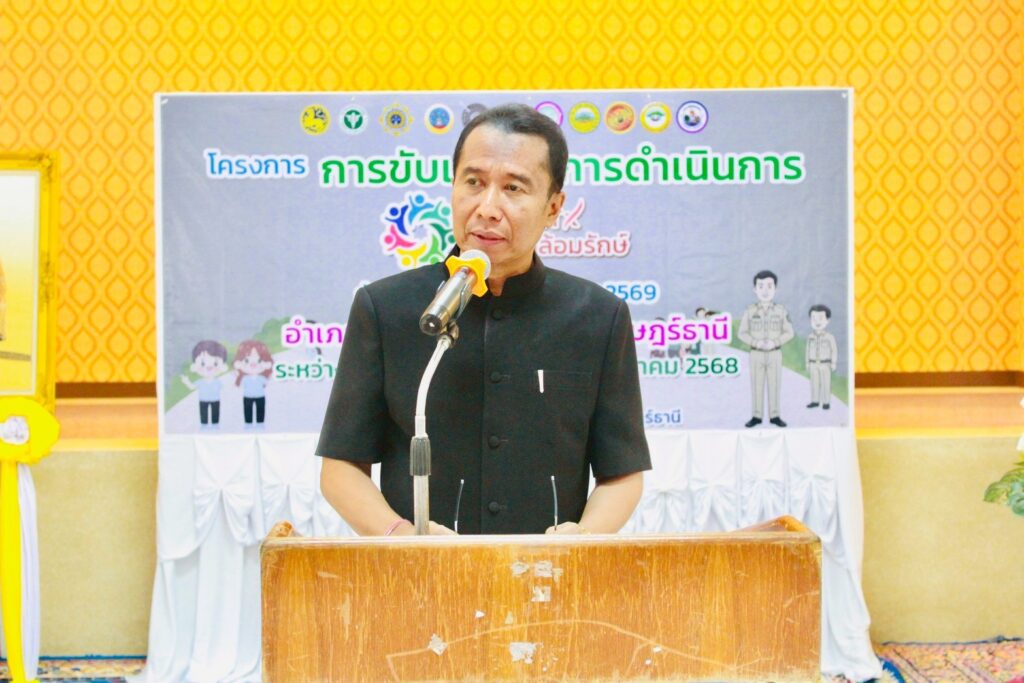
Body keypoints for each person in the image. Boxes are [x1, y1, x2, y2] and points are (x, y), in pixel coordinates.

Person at [317, 104, 650, 536]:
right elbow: (341, 468)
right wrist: (400, 536)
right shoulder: (385, 308)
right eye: (473, 182)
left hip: (547, 571)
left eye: (513, 188)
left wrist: (584, 539)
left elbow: (621, 474)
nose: (488, 207)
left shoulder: (598, 317)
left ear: (553, 207)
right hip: (419, 573)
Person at [738, 270, 794, 428]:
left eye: (769, 286)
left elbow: (789, 332)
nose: (765, 290)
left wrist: (775, 342)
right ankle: (756, 416)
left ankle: (775, 416)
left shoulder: (781, 311)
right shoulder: (750, 311)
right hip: (756, 353)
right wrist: (755, 342)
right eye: (761, 286)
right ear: (754, 289)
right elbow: (741, 333)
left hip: (775, 353)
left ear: (776, 289)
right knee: (757, 384)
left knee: (774, 384)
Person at [180, 340, 228, 428]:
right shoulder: (200, 382)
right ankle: (204, 425)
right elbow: (192, 387)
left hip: (215, 400)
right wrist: (186, 381)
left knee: (215, 414)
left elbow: (226, 390)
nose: (209, 367)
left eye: (215, 363)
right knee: (204, 415)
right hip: (203, 400)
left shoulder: (218, 381)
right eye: (203, 363)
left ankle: (215, 425)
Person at [805, 304, 838, 409]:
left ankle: (826, 402)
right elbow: (807, 350)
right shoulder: (810, 337)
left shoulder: (829, 337)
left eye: (820, 318)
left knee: (825, 383)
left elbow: (834, 350)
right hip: (813, 363)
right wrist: (807, 363)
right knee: (814, 382)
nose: (817, 322)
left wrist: (833, 363)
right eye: (814, 318)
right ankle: (815, 401)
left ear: (827, 320)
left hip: (825, 363)